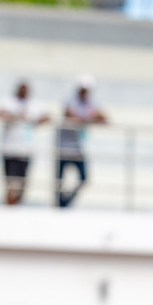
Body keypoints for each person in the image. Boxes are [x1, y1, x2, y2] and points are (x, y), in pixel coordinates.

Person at [56, 75, 108, 208]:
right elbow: (69, 114)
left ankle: (65, 203)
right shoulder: (70, 100)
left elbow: (104, 118)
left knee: (84, 179)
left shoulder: (92, 102)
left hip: (80, 148)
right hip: (64, 147)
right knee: (59, 181)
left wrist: (85, 118)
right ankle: (59, 205)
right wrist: (88, 118)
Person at [0, 81, 49, 206]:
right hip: (9, 148)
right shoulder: (9, 101)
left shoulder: (33, 104)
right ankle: (9, 205)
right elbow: (1, 114)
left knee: (22, 183)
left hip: (26, 150)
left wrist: (34, 121)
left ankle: (16, 205)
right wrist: (17, 116)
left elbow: (46, 117)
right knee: (10, 182)